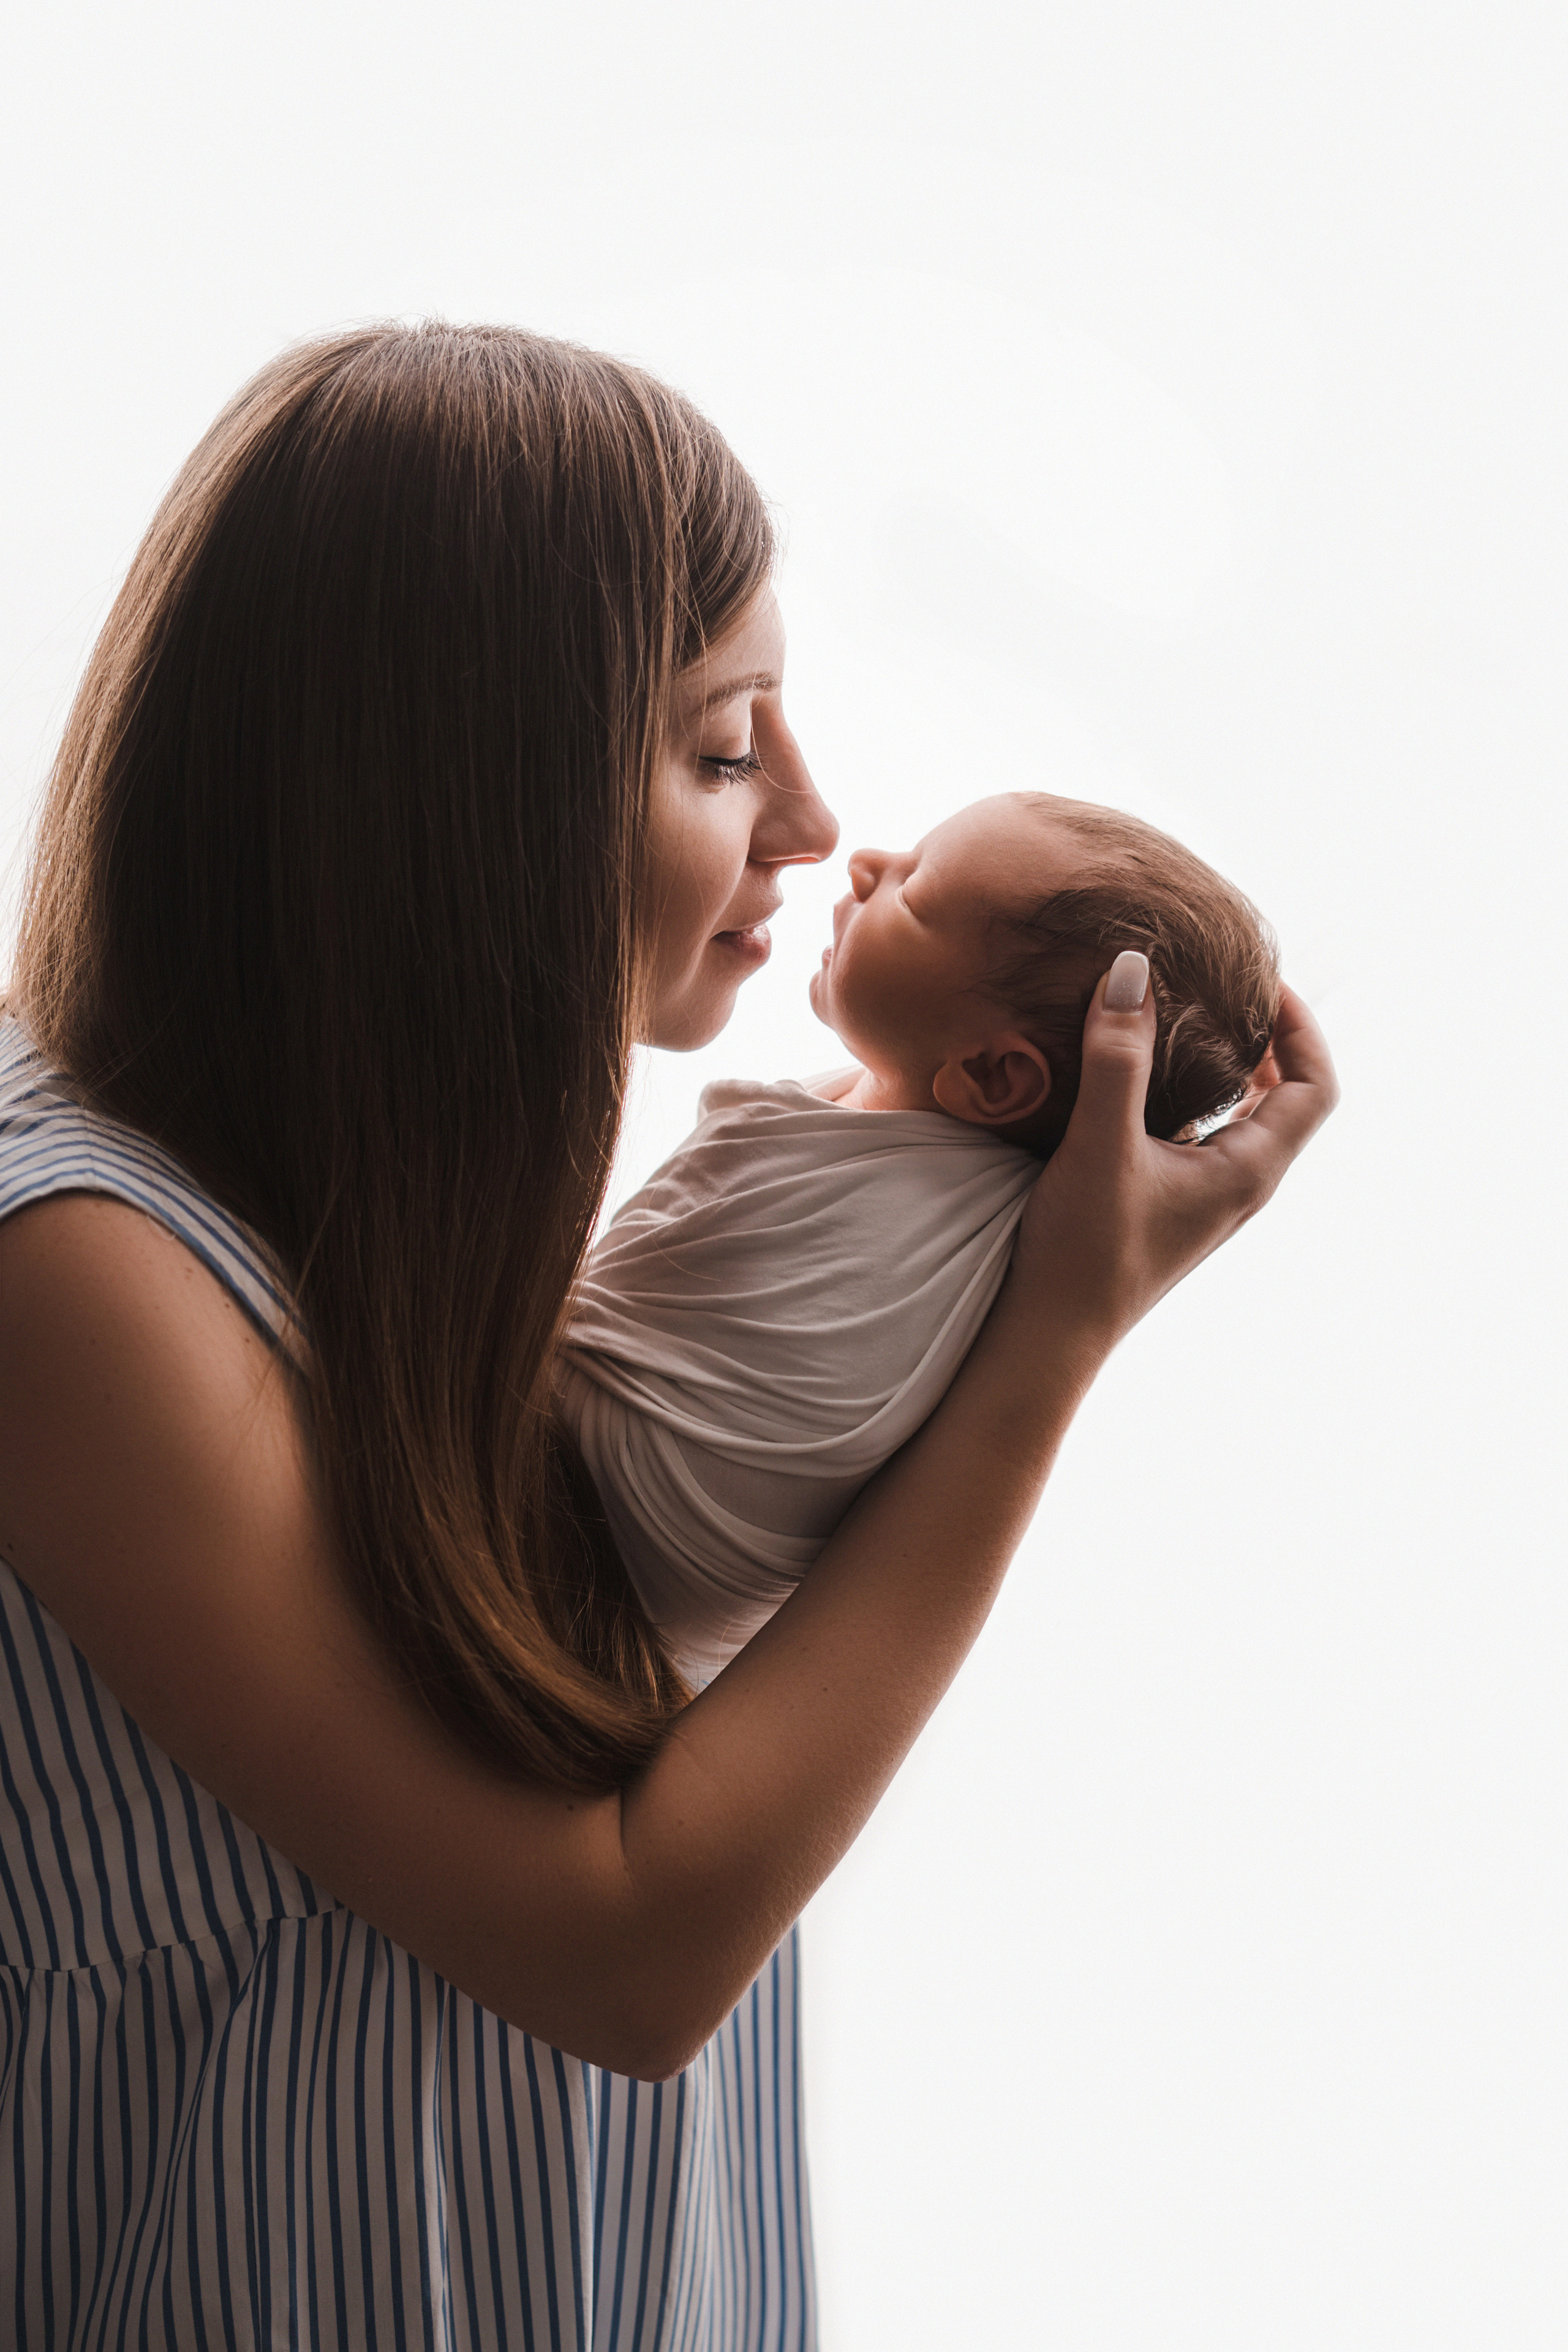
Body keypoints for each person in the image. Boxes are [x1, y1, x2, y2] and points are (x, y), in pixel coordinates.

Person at [0, 322, 1336, 2350]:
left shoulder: (413, 1201)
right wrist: (1054, 1342)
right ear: (457, 798)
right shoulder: (78, 1270)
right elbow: (628, 1960)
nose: (812, 819)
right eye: (722, 747)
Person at [560, 790, 1282, 1687]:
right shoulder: (1046, 1224)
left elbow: (601, 1307)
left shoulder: (898, 1196)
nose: (866, 864)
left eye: (914, 893)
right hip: (660, 1645)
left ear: (991, 1074)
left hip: (571, 1517)